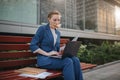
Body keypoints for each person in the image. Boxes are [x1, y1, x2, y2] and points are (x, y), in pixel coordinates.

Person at [30, 10, 83, 80]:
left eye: (58, 20)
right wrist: (47, 54)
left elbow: (56, 49)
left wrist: (63, 49)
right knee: (68, 61)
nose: (57, 22)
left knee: (75, 59)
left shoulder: (57, 32)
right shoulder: (42, 29)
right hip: (44, 59)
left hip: (54, 58)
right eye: (54, 20)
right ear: (49, 19)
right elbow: (33, 46)